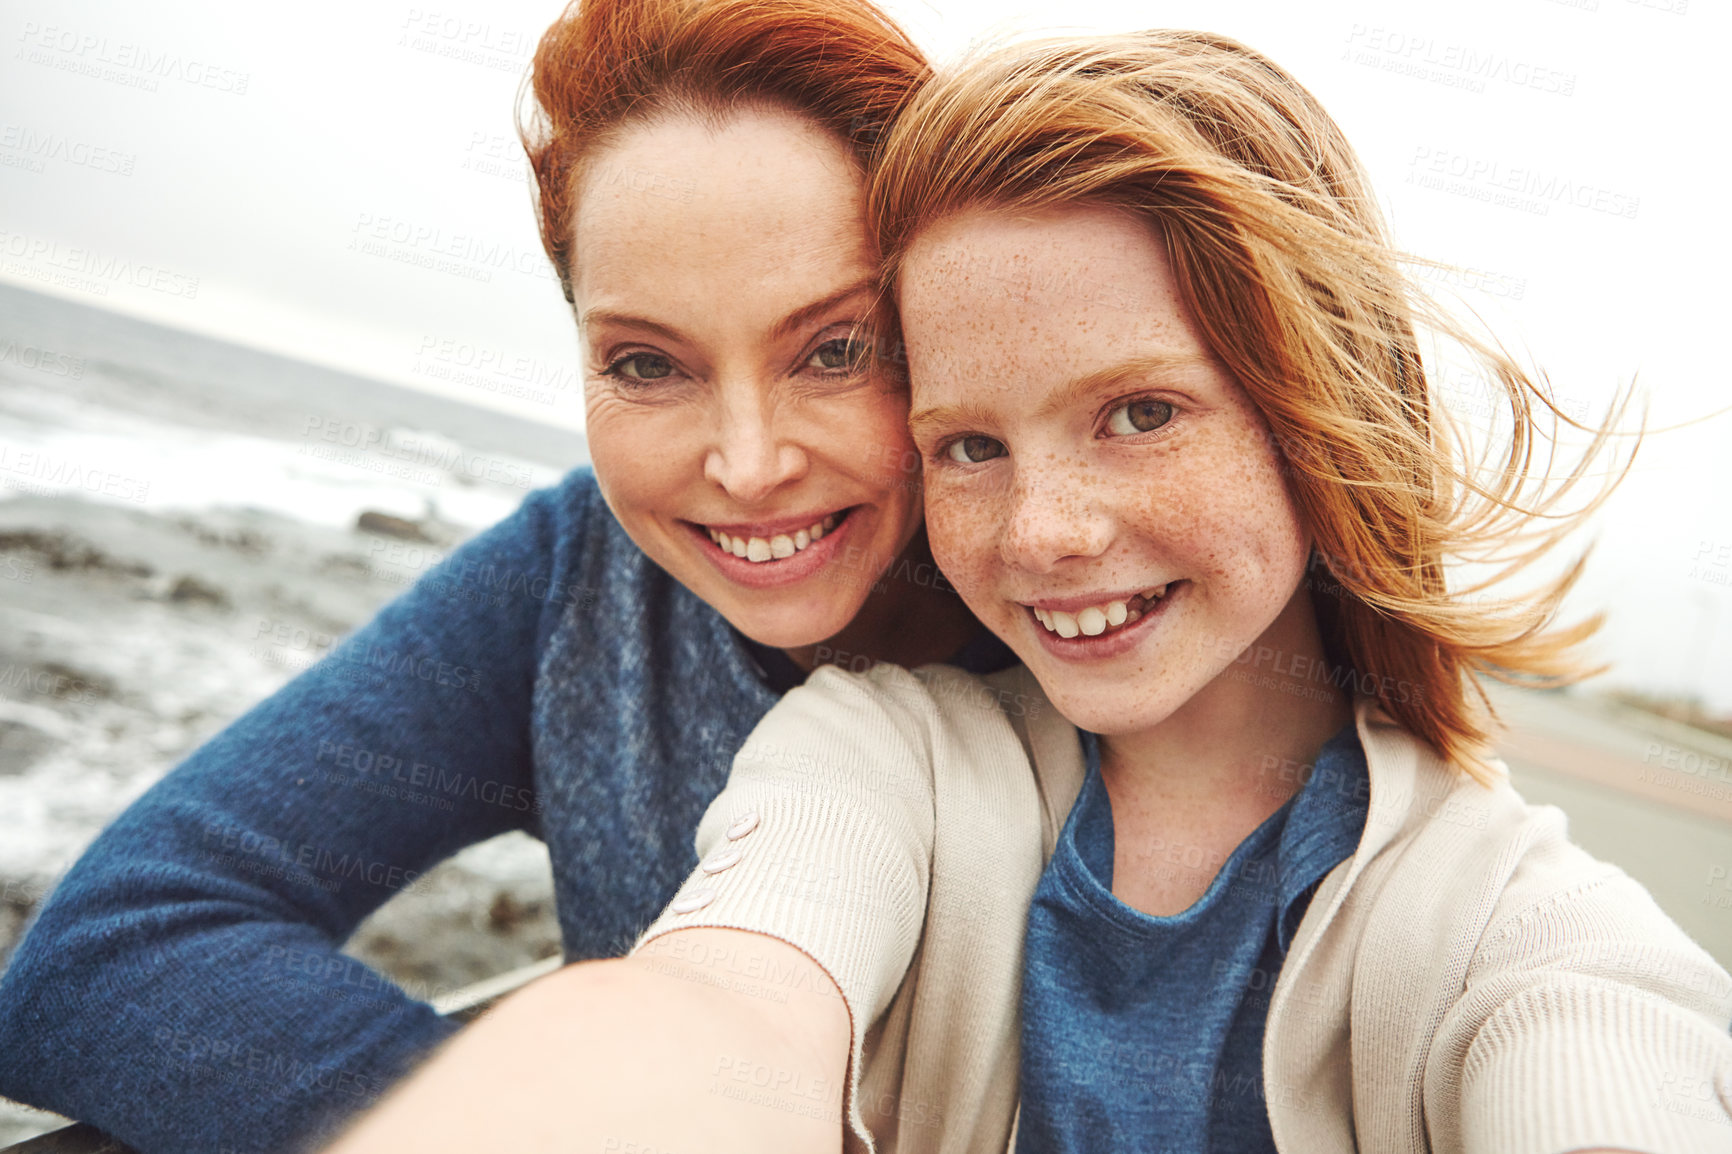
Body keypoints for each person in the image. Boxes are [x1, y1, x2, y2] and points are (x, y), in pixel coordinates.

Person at [322, 28, 1732, 1154]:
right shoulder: (878, 755)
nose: (1043, 532)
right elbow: (726, 1000)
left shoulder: (1528, 938)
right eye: (971, 446)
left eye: (1139, 412)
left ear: (1318, 405)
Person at [0, 1, 1011, 1150]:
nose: (746, 462)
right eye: (647, 363)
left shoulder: (1109, 616)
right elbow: (111, 945)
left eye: (835, 348)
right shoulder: (577, 581)